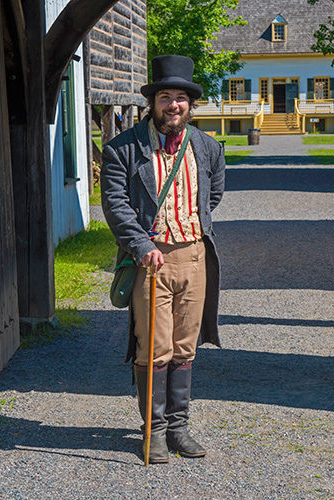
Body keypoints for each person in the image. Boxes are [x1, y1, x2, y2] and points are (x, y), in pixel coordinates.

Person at [101, 55, 225, 464]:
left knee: (186, 347)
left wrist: (190, 229)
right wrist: (142, 244)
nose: (174, 105)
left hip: (194, 257)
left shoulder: (208, 147)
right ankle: (152, 432)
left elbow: (213, 196)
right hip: (150, 262)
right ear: (152, 102)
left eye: (181, 98)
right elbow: (116, 204)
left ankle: (179, 429)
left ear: (190, 104)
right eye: (165, 97)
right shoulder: (123, 149)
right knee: (154, 347)